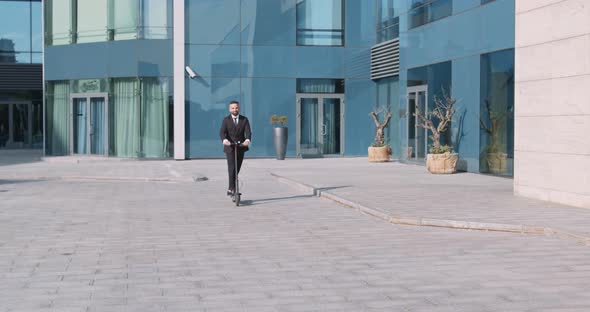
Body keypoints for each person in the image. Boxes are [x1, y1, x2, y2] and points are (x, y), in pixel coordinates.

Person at [219, 100, 251, 196]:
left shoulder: (244, 119)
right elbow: (222, 132)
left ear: (239, 108)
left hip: (241, 146)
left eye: (236, 108)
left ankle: (233, 187)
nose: (234, 109)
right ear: (229, 109)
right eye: (232, 108)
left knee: (237, 168)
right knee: (231, 168)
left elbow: (248, 132)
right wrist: (225, 140)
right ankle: (231, 188)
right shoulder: (226, 120)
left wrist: (247, 140)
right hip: (230, 147)